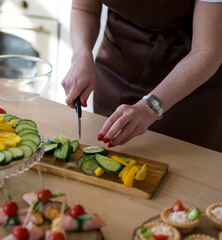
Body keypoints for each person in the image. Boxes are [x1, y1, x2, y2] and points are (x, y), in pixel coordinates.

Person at [62, 0, 222, 152]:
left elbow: (207, 51)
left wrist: (148, 107)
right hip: (115, 67)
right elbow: (84, 9)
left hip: (188, 87)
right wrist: (81, 54)